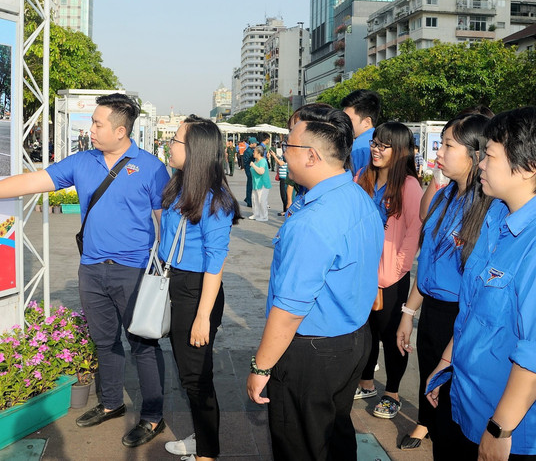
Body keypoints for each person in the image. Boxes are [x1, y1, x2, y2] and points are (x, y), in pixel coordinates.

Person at [0, 94, 170, 449]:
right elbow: (31, 182)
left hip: (134, 271)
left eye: (98, 124)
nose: (91, 129)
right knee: (104, 341)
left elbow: (164, 221)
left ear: (121, 131)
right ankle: (111, 403)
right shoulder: (82, 161)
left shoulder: (152, 168)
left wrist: (165, 274)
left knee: (143, 344)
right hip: (91, 269)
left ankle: (152, 417)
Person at [426, 107, 536, 460]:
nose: (481, 165)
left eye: (489, 155)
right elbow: (474, 308)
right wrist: (447, 360)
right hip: (468, 400)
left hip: (511, 427)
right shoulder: (497, 215)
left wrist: (499, 429)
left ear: (529, 167)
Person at [247, 106, 383, 459]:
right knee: (335, 433)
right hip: (352, 340)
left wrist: (261, 366)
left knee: (299, 445)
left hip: (312, 353)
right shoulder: (357, 196)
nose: (282, 155)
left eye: (288, 147)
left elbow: (290, 309)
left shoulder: (313, 220)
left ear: (311, 156)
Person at [394, 114, 493, 454]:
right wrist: (408, 313)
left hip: (462, 316)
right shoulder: (446, 194)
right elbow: (429, 262)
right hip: (433, 311)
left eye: (448, 145)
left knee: (454, 411)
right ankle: (428, 426)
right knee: (430, 382)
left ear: (476, 153)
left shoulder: (488, 209)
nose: (439, 151)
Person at [160, 116, 241, 461]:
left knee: (196, 378)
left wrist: (202, 317)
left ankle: (206, 453)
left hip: (196, 292)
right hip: (175, 282)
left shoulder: (215, 200)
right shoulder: (179, 186)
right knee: (189, 373)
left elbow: (215, 263)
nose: (169, 145)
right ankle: (202, 439)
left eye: (175, 140)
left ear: (194, 151)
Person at [356, 122, 423, 421]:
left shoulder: (409, 186)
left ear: (401, 151)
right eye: (374, 143)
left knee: (392, 335)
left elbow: (414, 232)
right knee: (365, 330)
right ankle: (366, 382)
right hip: (362, 272)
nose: (376, 149)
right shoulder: (363, 176)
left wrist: (396, 269)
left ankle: (392, 392)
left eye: (384, 145)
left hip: (391, 277)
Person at [341, 89, 382, 176]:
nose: (344, 123)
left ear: (367, 122)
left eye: (348, 119)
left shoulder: (356, 148)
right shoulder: (383, 142)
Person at [248, 146, 271, 222]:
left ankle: (264, 216)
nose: (253, 153)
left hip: (262, 184)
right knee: (255, 200)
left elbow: (261, 171)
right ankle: (256, 214)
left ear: (259, 153)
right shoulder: (255, 161)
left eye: (254, 152)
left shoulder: (263, 161)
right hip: (256, 184)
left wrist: (253, 166)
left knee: (262, 200)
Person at [241, 137, 258, 207]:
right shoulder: (249, 151)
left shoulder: (250, 150)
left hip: (249, 169)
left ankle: (248, 198)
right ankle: (249, 201)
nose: (256, 144)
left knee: (250, 184)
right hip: (249, 169)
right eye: (255, 143)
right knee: (250, 185)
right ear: (252, 143)